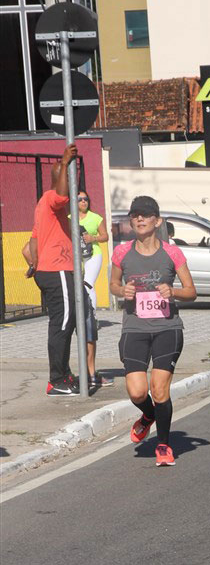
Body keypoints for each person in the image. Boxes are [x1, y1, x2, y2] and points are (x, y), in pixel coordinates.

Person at [110, 196, 196, 466]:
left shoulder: (172, 253)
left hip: (167, 328)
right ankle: (148, 415)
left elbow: (191, 291)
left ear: (157, 221)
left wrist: (173, 292)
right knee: (137, 392)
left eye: (145, 214)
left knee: (159, 389)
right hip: (134, 327)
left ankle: (163, 445)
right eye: (135, 214)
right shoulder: (122, 253)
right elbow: (113, 284)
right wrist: (121, 290)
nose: (139, 219)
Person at [30, 143, 79, 395]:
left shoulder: (43, 205)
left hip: (50, 270)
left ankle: (64, 374)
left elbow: (32, 240)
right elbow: (61, 196)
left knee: (66, 322)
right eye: (69, 178)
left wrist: (33, 263)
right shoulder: (51, 198)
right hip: (56, 270)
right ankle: (57, 380)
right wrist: (65, 160)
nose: (72, 184)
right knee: (62, 323)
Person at [75, 190, 113, 388]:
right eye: (80, 199)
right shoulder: (69, 217)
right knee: (78, 284)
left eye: (86, 199)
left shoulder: (95, 217)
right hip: (76, 255)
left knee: (87, 284)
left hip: (93, 254)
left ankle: (91, 312)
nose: (83, 202)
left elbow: (105, 236)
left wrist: (93, 238)